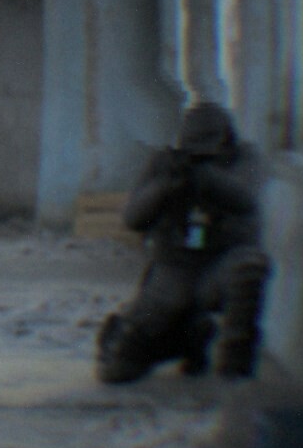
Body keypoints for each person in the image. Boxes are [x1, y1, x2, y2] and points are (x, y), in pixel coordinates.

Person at [96, 102, 272, 383]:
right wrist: (165, 186)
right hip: (173, 272)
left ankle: (234, 372)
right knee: (120, 367)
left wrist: (206, 176)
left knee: (249, 267)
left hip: (219, 266)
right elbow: (133, 218)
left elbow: (246, 199)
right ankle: (187, 339)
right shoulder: (165, 163)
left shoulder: (245, 159)